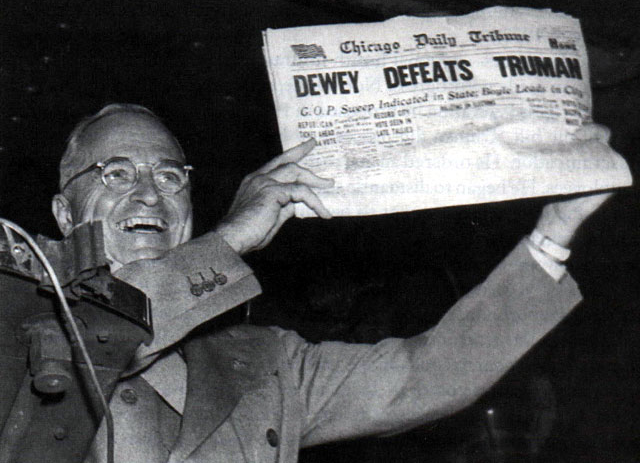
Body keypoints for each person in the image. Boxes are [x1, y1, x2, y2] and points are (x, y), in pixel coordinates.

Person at [50, 103, 611, 462]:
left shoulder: (261, 360)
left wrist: (554, 231)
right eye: (115, 174)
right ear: (64, 214)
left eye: (169, 176)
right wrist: (229, 243)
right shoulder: (23, 321)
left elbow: (421, 374)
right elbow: (102, 338)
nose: (148, 194)